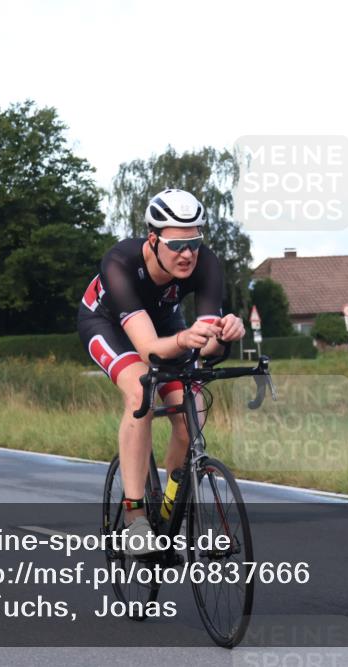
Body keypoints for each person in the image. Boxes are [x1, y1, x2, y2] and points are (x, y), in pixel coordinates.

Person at [77, 188, 246, 555]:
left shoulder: (206, 264)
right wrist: (186, 338)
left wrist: (224, 333)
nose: (187, 254)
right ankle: (135, 517)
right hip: (108, 325)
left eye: (194, 243)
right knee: (141, 391)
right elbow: (150, 350)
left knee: (193, 407)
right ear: (153, 239)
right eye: (176, 245)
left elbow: (208, 348)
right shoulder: (119, 263)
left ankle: (172, 503)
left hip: (165, 325)